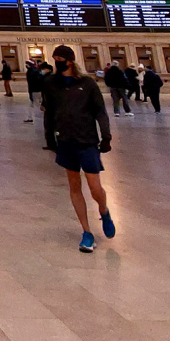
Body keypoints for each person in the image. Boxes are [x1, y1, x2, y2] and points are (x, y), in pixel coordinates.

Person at [41, 45, 114, 253]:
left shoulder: (87, 84)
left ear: (70, 61)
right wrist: (50, 137)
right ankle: (86, 231)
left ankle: (104, 210)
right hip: (66, 140)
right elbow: (49, 111)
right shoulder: (51, 84)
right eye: (55, 58)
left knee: (94, 187)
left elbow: (100, 111)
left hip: (87, 140)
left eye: (59, 58)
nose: (57, 61)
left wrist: (106, 135)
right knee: (74, 186)